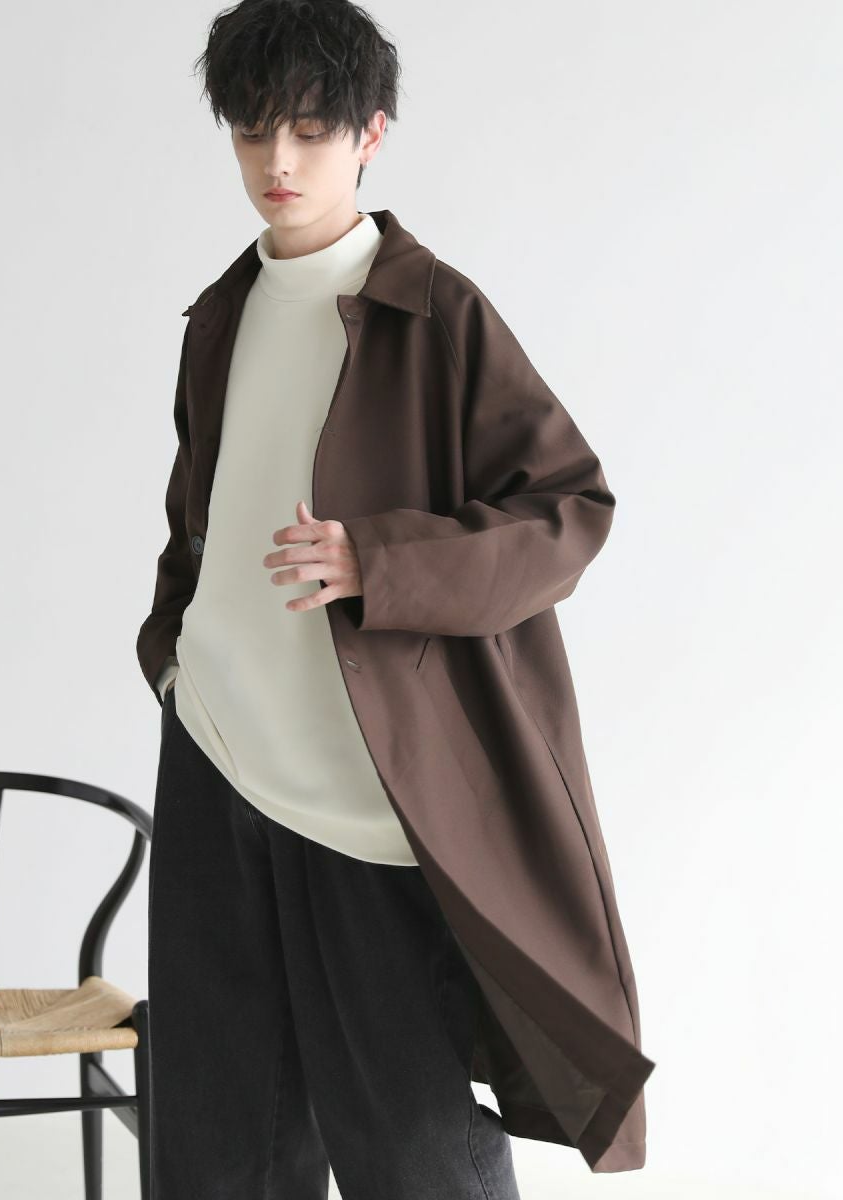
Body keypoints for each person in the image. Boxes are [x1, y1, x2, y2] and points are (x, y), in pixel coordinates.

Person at [139, 0, 650, 1193]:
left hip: (365, 787)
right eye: (253, 129)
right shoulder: (221, 315)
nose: (277, 160)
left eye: (311, 130)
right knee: (216, 1142)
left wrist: (381, 561)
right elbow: (197, 524)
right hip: (215, 758)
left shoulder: (435, 312)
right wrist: (173, 658)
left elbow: (569, 509)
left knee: (408, 1144)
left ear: (371, 134)